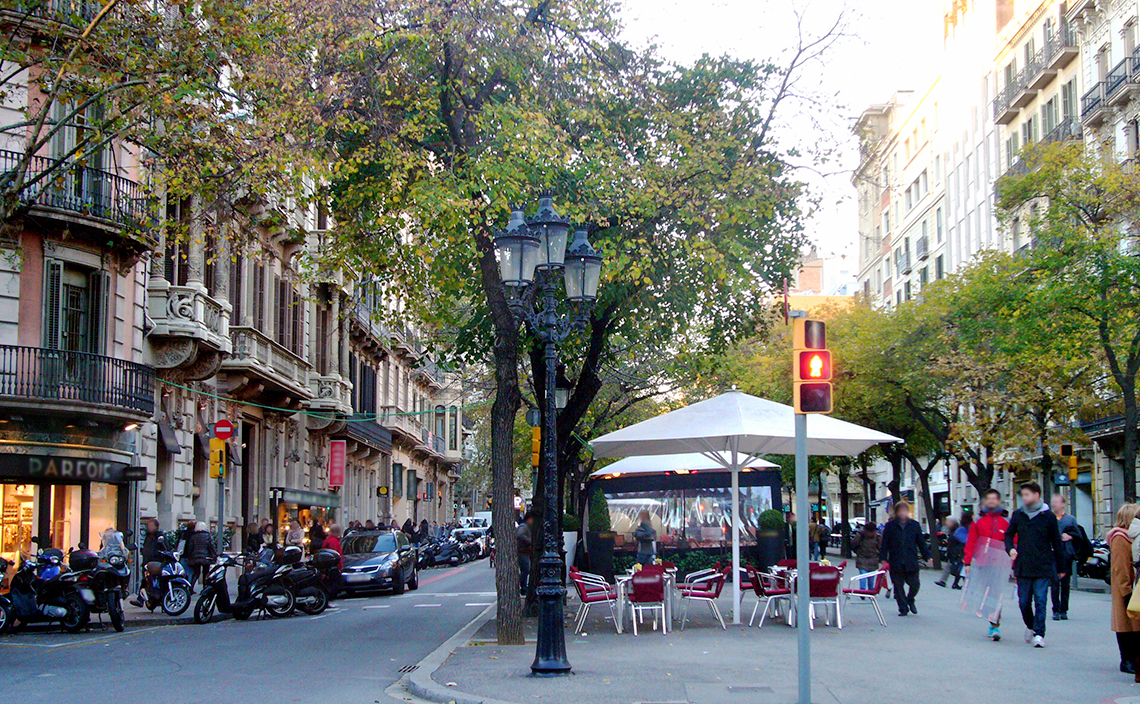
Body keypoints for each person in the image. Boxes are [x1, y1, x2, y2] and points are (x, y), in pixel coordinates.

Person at [1004, 482, 1065, 648]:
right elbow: (1008, 535)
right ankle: (1030, 625)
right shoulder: (1018, 515)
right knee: (1023, 602)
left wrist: (1061, 567)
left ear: (1037, 495)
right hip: (1023, 566)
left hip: (1043, 566)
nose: (1024, 498)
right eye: (1023, 495)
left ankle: (1039, 633)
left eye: (1027, 494)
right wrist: (1010, 549)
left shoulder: (1048, 516)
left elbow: (1057, 542)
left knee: (1040, 600)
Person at [965, 489, 1010, 642]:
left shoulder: (1006, 521)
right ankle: (988, 614)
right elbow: (971, 541)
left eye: (994, 499)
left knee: (997, 595)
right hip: (983, 563)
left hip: (1000, 563)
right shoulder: (978, 520)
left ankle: (995, 624)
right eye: (988, 499)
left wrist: (1013, 558)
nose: (991, 502)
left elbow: (1013, 541)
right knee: (984, 593)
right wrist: (967, 561)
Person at [879, 501, 930, 617]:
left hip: (910, 560)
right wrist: (883, 558)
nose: (903, 513)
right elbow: (885, 543)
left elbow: (921, 542)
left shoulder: (914, 525)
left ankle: (910, 599)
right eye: (900, 511)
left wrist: (928, 556)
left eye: (905, 511)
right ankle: (903, 608)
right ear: (896, 513)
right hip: (896, 560)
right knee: (898, 586)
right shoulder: (890, 526)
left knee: (915, 584)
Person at [1108, 503, 1140, 677]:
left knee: (1133, 627)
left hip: (1132, 588)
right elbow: (1120, 569)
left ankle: (1132, 659)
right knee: (1126, 627)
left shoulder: (1131, 537)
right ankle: (1126, 660)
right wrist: (1127, 592)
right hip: (1125, 590)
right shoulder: (1120, 538)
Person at [1050, 494, 1078, 621]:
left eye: (1056, 502)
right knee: (1055, 582)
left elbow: (1078, 534)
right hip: (1053, 555)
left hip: (1066, 555)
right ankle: (1055, 609)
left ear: (1063, 504)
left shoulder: (1070, 519)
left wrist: (1071, 536)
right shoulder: (1049, 518)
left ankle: (1064, 610)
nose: (1054, 504)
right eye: (1053, 502)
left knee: (1065, 583)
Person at [936, 516, 966, 589]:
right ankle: (945, 581)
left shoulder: (957, 531)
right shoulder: (952, 530)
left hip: (956, 553)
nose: (946, 523)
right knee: (952, 567)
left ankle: (956, 583)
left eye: (948, 522)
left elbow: (959, 542)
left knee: (959, 568)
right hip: (954, 552)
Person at [850, 522, 882, 590]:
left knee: (870, 578)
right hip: (863, 559)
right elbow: (853, 544)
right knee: (863, 576)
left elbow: (881, 547)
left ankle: (870, 590)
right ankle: (863, 590)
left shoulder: (877, 537)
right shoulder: (861, 536)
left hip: (871, 560)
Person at [185, 521, 216, 589]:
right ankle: (205, 587)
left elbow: (190, 548)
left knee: (196, 573)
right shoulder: (207, 536)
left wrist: (190, 557)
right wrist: (214, 556)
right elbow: (211, 547)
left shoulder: (193, 536)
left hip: (195, 557)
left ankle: (190, 587)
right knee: (206, 573)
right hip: (206, 557)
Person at [517, 511, 536, 594]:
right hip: (522, 551)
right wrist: (530, 541)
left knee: (526, 569)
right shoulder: (524, 527)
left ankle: (523, 585)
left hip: (525, 551)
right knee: (525, 569)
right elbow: (520, 535)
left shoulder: (527, 527)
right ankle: (522, 585)